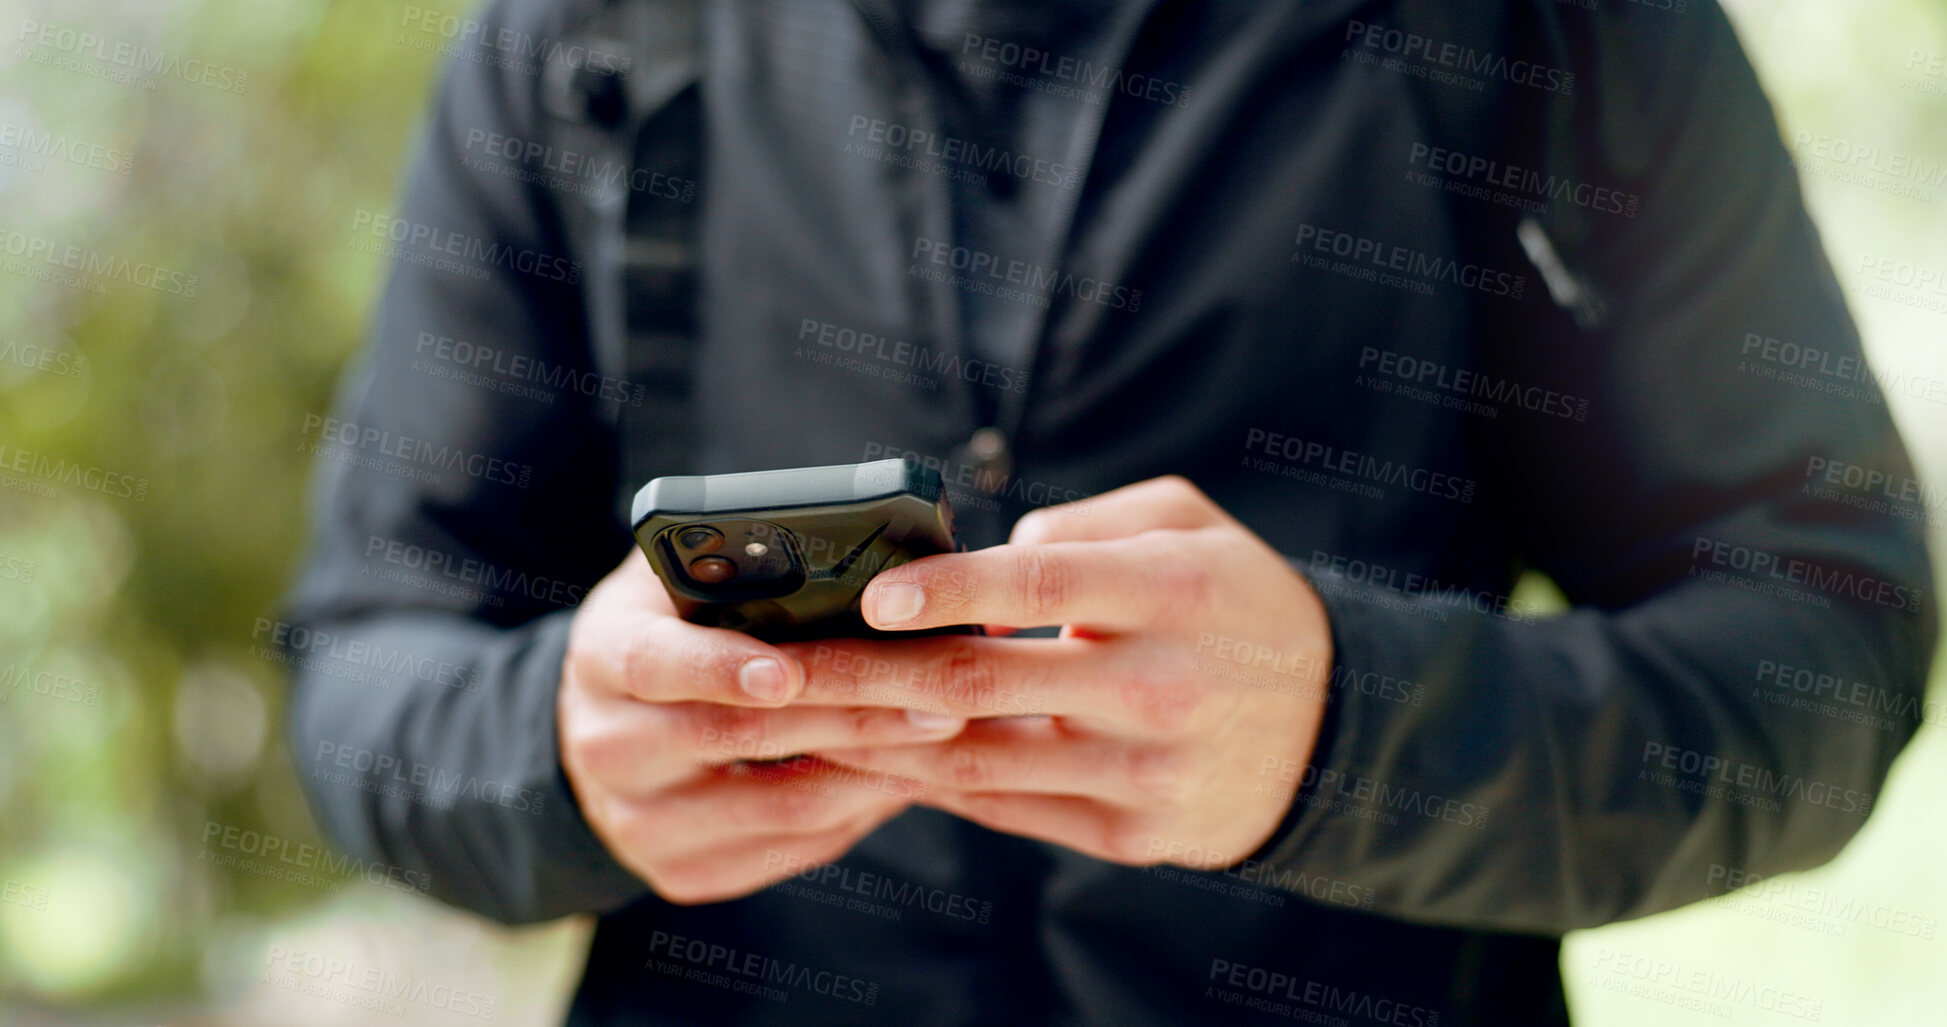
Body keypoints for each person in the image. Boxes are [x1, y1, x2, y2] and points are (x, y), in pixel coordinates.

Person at [284, 0, 1936, 1023]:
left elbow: (1824, 641)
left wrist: (1351, 739)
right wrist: (558, 755)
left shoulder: (1551, 27)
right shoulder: (579, 38)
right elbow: (363, 665)